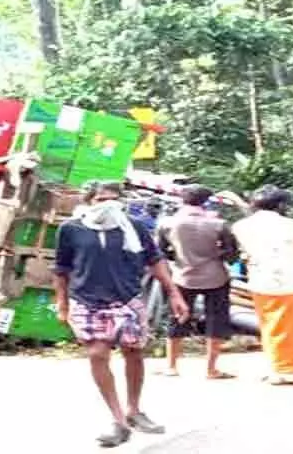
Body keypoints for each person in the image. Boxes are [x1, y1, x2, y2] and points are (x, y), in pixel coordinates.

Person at [54, 181, 189, 448]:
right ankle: (118, 421)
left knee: (134, 352)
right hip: (87, 300)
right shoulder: (71, 229)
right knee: (97, 354)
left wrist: (173, 292)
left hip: (126, 299)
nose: (108, 205)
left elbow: (155, 260)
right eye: (102, 199)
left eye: (114, 200)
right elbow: (61, 268)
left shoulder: (134, 227)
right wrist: (62, 304)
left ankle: (134, 409)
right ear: (89, 201)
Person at [232, 185, 293, 386]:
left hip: (262, 282)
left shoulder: (240, 226)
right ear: (281, 205)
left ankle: (280, 370)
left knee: (271, 328)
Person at [157, 184, 238, 379]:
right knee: (216, 319)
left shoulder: (167, 223)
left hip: (182, 276)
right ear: (206, 202)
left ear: (182, 200)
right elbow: (232, 254)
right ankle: (211, 369)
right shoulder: (219, 224)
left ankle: (171, 366)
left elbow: (161, 251)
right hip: (216, 276)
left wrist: (178, 256)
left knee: (177, 317)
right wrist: (217, 254)